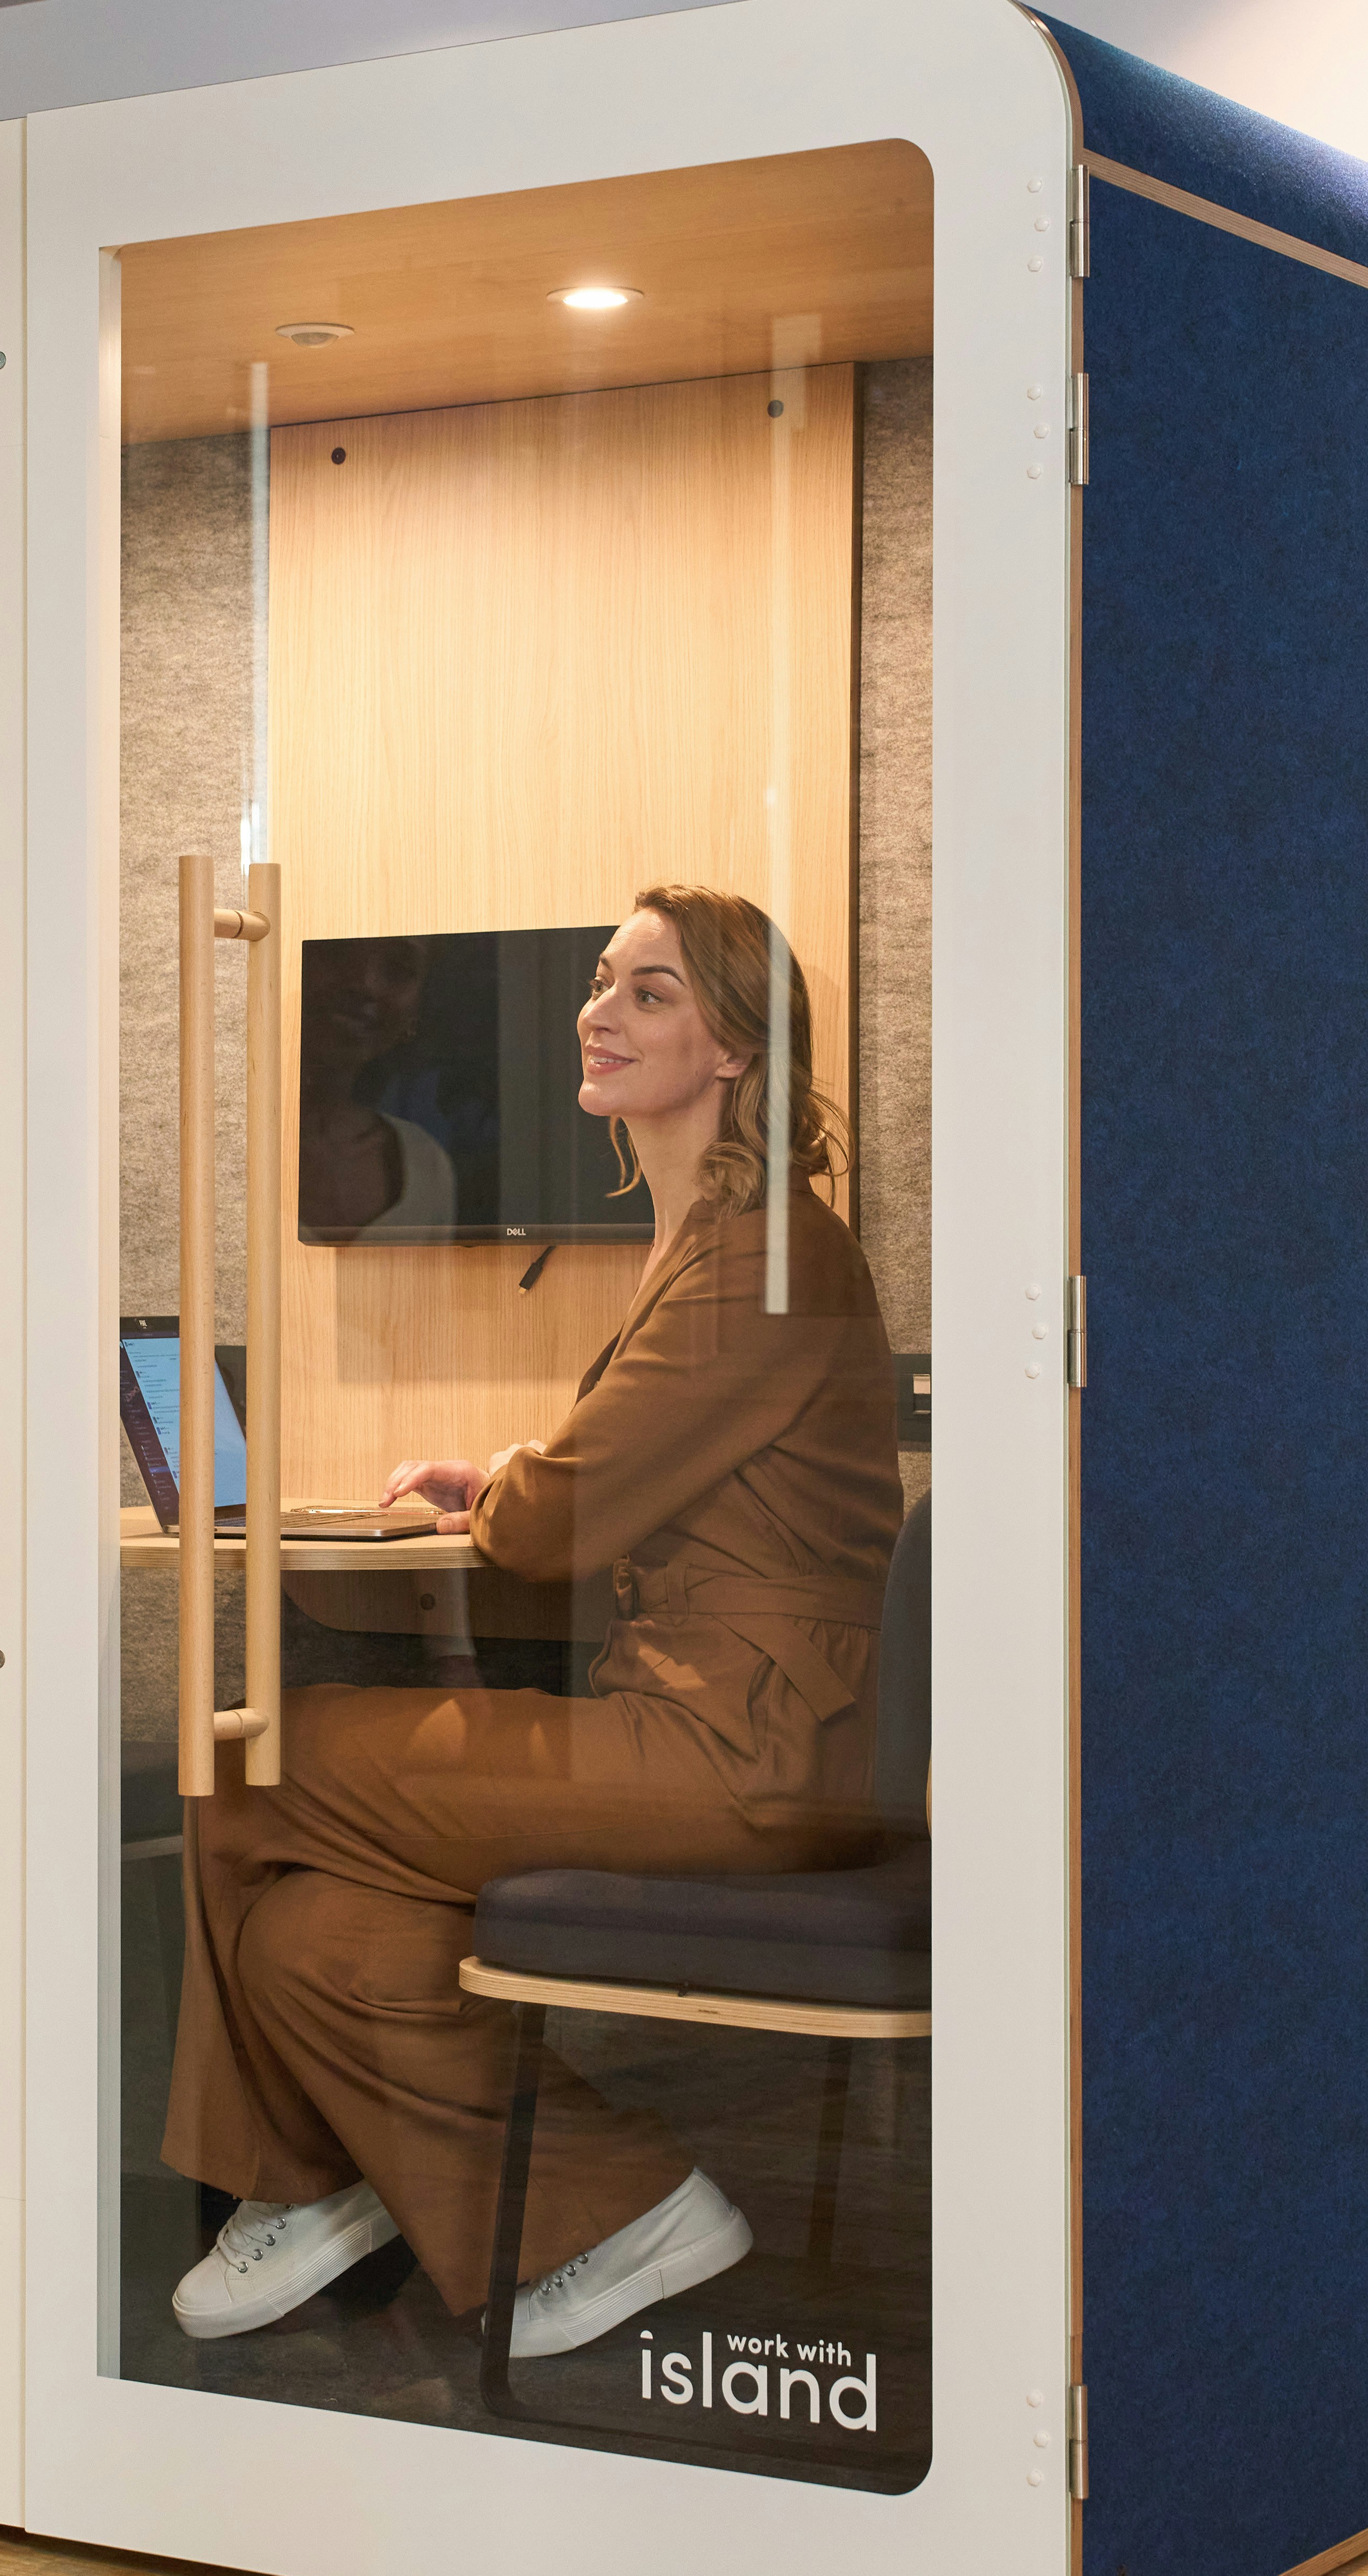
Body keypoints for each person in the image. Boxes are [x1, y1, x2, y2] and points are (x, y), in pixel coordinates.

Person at [161, 881, 903, 2361]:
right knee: (318, 1933)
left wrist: (503, 1491)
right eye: (600, 982)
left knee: (249, 1766)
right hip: (715, 1731)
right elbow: (617, 1474)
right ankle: (620, 2205)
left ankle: (301, 2186)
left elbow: (561, 1525)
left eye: (650, 992)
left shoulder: (764, 1254)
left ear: (739, 1049)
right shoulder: (721, 1243)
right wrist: (501, 1479)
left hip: (731, 1752)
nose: (599, 1010)